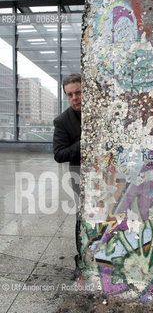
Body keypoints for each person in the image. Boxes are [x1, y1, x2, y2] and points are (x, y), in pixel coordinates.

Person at [53, 73, 81, 278]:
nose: (74, 98)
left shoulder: (101, 111)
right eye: (70, 94)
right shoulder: (62, 121)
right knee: (83, 217)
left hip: (110, 175)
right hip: (80, 177)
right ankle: (82, 257)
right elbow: (59, 154)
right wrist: (83, 143)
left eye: (78, 92)